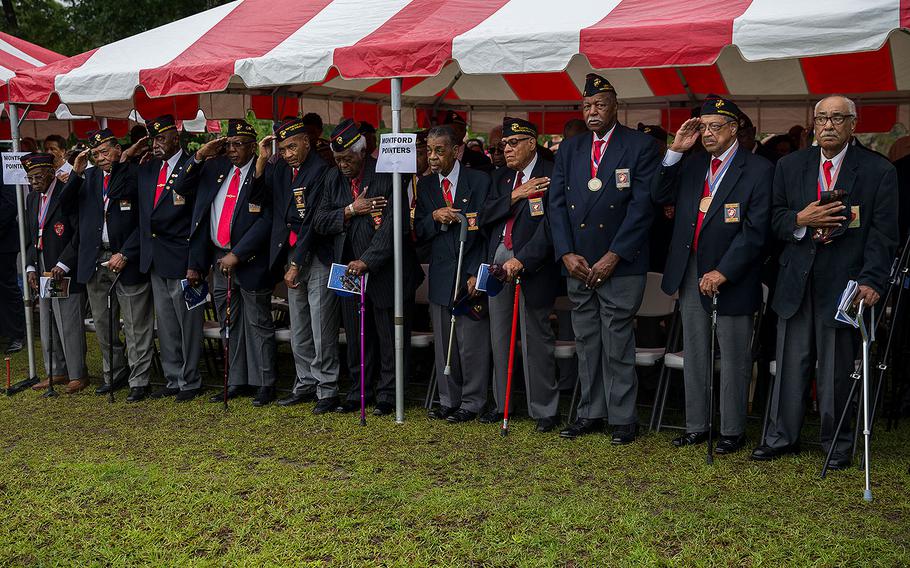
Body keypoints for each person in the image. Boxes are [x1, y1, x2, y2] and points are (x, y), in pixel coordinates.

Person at [751, 95, 899, 469]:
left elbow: (884, 235)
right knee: (789, 365)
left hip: (845, 284)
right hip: (796, 281)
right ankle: (781, 437)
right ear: (813, 124)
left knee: (835, 372)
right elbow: (773, 220)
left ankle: (836, 444)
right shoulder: (789, 165)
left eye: (837, 118)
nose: (828, 125)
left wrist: (872, 280)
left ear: (854, 124)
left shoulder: (878, 171)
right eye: (821, 118)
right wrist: (801, 219)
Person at [653, 98, 773, 454]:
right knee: (695, 351)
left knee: (734, 354)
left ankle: (732, 430)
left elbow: (756, 231)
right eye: (702, 127)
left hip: (733, 274)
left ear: (734, 128)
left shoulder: (757, 169)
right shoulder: (691, 165)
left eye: (714, 126)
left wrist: (724, 271)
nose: (706, 133)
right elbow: (658, 195)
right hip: (691, 269)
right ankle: (697, 425)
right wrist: (674, 151)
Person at [548, 73, 660, 443]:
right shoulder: (571, 148)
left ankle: (623, 417)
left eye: (599, 105)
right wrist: (565, 253)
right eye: (587, 106)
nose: (592, 111)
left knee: (617, 343)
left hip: (620, 263)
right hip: (578, 264)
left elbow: (643, 208)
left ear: (616, 106)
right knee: (587, 342)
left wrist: (615, 254)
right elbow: (558, 206)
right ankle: (590, 412)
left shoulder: (639, 146)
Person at [313, 118, 422, 416]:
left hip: (385, 270)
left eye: (347, 158)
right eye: (337, 159)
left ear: (362, 153)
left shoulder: (387, 176)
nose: (342, 164)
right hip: (347, 271)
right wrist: (350, 210)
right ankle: (359, 390)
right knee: (357, 336)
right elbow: (319, 221)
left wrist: (368, 261)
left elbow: (393, 227)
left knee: (388, 335)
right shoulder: (332, 178)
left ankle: (388, 394)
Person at [184, 120, 277, 406]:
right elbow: (183, 189)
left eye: (239, 144)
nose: (232, 150)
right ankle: (236, 380)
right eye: (229, 144)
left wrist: (239, 253)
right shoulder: (215, 169)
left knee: (257, 323)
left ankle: (264, 382)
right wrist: (200, 155)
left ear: (252, 146)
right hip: (218, 257)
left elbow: (266, 219)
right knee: (229, 322)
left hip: (249, 260)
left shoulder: (265, 172)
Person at [254, 117, 341, 413]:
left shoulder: (321, 171)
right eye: (283, 148)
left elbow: (313, 224)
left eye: (293, 146)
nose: (288, 153)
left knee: (320, 326)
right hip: (291, 253)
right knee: (300, 326)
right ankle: (304, 383)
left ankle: (326, 388)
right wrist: (262, 162)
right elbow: (259, 201)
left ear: (307, 141)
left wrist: (295, 262)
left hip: (315, 256)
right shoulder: (280, 168)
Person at [481, 117, 562, 432]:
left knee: (535, 338)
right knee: (499, 335)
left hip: (532, 263)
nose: (507, 149)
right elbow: (483, 216)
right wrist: (516, 194)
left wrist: (524, 260)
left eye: (514, 143)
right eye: (504, 144)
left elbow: (552, 227)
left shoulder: (552, 174)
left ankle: (544, 409)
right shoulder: (501, 178)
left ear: (532, 142)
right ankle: (503, 404)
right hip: (498, 255)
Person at [65, 129, 155, 401]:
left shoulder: (134, 173)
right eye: (95, 154)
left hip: (125, 257)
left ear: (118, 149)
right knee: (104, 323)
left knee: (134, 323)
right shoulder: (89, 177)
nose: (101, 158)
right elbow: (67, 207)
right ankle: (113, 374)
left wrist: (126, 252)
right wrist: (75, 174)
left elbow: (144, 220)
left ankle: (139, 380)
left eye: (105, 152)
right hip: (95, 258)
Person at [122, 115, 202, 401]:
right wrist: (128, 155)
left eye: (161, 138)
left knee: (187, 323)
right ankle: (173, 377)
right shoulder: (148, 168)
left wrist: (195, 262)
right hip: (154, 257)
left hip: (181, 257)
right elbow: (121, 190)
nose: (156, 144)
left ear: (175, 138)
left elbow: (197, 219)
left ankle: (191, 380)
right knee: (166, 323)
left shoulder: (191, 165)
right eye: (152, 139)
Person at [415, 125, 491, 423]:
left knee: (470, 343)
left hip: (469, 273)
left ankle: (473, 402)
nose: (432, 157)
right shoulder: (427, 185)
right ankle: (449, 399)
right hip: (442, 273)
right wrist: (434, 217)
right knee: (444, 341)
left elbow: (488, 231)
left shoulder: (480, 181)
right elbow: (419, 231)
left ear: (457, 151)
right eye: (429, 151)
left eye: (439, 151)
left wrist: (477, 273)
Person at [21, 152, 87, 393]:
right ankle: (56, 371)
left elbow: (77, 233)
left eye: (38, 176)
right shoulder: (31, 199)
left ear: (50, 173)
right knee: (48, 319)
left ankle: (77, 373)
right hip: (41, 265)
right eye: (30, 177)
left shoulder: (65, 192)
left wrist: (64, 264)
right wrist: (30, 267)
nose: (34, 182)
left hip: (63, 267)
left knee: (68, 321)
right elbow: (30, 236)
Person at [0, 182, 24, 354]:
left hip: (3, 241)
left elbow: (10, 203)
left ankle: (16, 334)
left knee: (7, 287)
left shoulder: (3, 164)